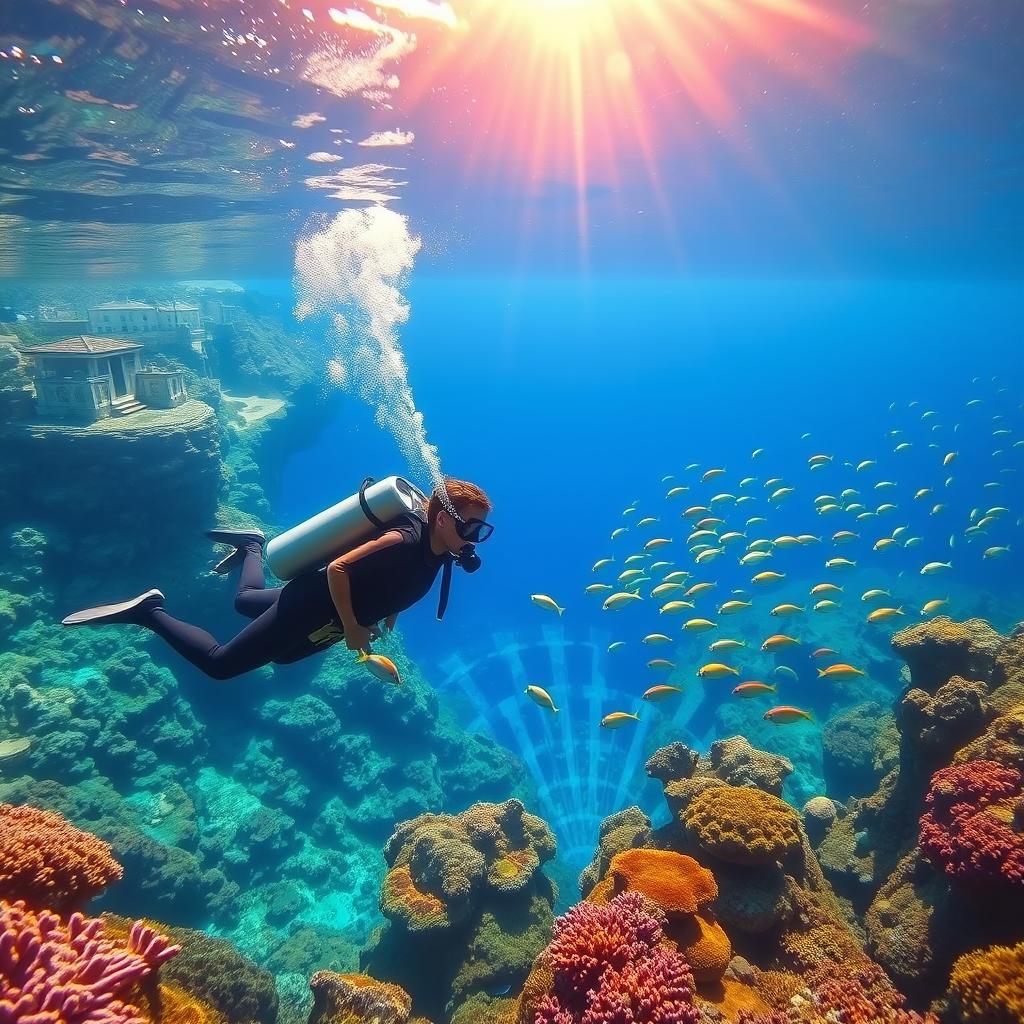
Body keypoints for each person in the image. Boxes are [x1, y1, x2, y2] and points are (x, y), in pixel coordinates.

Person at [61, 478, 493, 680]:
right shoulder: (404, 540)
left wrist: (390, 610)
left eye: (481, 530)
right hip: (313, 607)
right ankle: (149, 612)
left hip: (321, 612)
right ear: (441, 520)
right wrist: (353, 627)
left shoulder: (440, 552)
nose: (475, 539)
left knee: (245, 601)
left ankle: (251, 545)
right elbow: (340, 568)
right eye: (471, 528)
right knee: (220, 665)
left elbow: (398, 580)